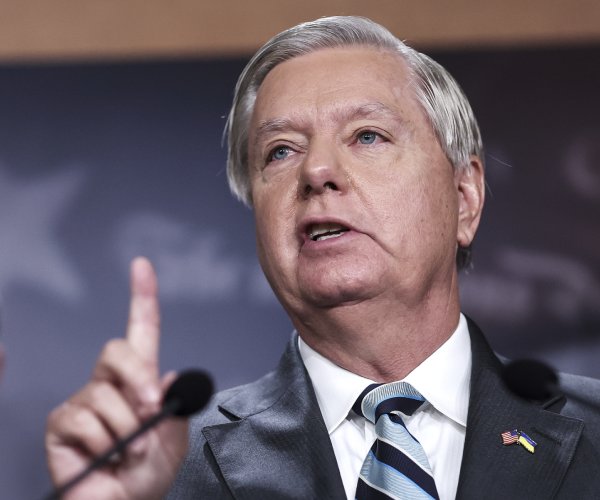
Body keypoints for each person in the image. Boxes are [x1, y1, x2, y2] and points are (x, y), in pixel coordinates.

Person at [46, 16, 600, 500]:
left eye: (367, 136)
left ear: (464, 198)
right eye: (281, 150)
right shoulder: (159, 470)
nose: (316, 171)